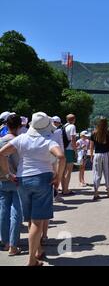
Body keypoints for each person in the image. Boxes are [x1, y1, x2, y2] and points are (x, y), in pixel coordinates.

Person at [0, 112, 66, 266]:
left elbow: (2, 153)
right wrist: (58, 177)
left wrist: (8, 174)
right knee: (37, 221)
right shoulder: (48, 140)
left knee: (31, 219)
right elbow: (61, 157)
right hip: (42, 179)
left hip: (23, 179)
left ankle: (37, 250)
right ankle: (31, 261)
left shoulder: (21, 139)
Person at [0, 114, 23, 256]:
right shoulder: (19, 141)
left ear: (6, 125)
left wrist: (6, 174)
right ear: (19, 126)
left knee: (3, 211)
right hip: (18, 180)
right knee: (16, 213)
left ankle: (5, 241)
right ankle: (13, 245)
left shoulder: (1, 141)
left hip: (3, 179)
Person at [89, 117, 109, 201]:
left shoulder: (94, 133)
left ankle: (96, 193)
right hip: (106, 154)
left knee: (97, 173)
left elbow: (91, 147)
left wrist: (91, 156)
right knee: (107, 173)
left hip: (97, 154)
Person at [61, 114, 77, 196]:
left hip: (62, 149)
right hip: (69, 149)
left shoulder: (64, 126)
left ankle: (63, 188)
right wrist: (75, 150)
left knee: (62, 171)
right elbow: (73, 139)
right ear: (74, 119)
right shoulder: (72, 126)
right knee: (69, 170)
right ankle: (66, 190)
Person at [51, 116, 65, 202]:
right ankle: (55, 194)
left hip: (46, 155)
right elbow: (61, 143)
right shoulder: (59, 131)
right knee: (57, 175)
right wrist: (63, 155)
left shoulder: (45, 130)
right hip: (56, 154)